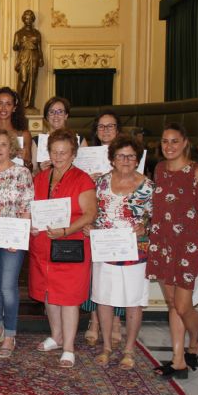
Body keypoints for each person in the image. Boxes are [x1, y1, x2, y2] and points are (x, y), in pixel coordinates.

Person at [149, 123, 198, 379]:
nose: (169, 146)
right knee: (171, 303)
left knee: (183, 305)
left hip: (189, 246)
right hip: (164, 244)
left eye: (174, 141)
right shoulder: (159, 169)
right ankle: (178, 360)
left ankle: (195, 342)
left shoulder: (197, 172)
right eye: (165, 141)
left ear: (185, 142)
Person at [83, 135, 154, 370]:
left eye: (131, 156)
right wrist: (90, 226)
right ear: (112, 159)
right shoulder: (101, 182)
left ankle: (129, 350)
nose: (125, 160)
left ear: (137, 159)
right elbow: (92, 211)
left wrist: (147, 226)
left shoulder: (148, 187)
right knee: (104, 300)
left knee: (134, 301)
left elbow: (158, 219)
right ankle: (106, 347)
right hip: (105, 250)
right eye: (120, 155)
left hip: (135, 252)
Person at [29, 129, 97, 368]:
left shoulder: (83, 179)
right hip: (43, 245)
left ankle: (68, 347)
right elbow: (32, 209)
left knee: (68, 298)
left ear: (73, 154)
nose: (58, 157)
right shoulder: (40, 177)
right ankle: (56, 336)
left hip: (71, 245)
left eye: (63, 152)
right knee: (49, 294)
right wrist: (32, 226)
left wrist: (66, 231)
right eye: (54, 152)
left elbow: (90, 214)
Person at [0, 129, 34, 358]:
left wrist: (18, 237)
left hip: (13, 238)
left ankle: (10, 334)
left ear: (11, 147)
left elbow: (27, 206)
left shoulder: (21, 172)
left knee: (8, 288)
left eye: (3, 144)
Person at [82, 110, 126, 346]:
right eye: (101, 126)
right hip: (94, 219)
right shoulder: (86, 154)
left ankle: (117, 321)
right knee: (94, 272)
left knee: (116, 271)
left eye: (110, 126)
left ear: (118, 129)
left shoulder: (128, 155)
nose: (106, 130)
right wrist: (89, 178)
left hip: (118, 222)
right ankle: (94, 320)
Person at [31, 96, 88, 173]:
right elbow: (33, 172)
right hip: (47, 182)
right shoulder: (37, 141)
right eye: (51, 112)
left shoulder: (79, 140)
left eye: (60, 112)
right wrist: (40, 170)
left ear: (66, 116)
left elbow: (86, 169)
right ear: (47, 117)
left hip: (73, 183)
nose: (56, 115)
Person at [13, 10, 43, 112]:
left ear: (33, 19)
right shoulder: (19, 33)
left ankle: (30, 104)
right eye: (26, 18)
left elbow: (39, 48)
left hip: (34, 56)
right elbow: (15, 47)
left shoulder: (37, 33)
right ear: (23, 19)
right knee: (23, 79)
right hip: (24, 56)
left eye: (30, 18)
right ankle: (18, 103)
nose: (28, 20)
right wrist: (22, 43)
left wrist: (41, 58)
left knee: (32, 81)